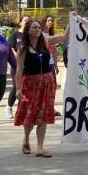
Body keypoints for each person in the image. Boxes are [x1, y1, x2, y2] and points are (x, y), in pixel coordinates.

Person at [13, 18, 67, 157]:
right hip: (30, 83)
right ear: (28, 31)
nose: (37, 30)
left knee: (43, 116)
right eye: (34, 28)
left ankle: (40, 148)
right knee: (30, 115)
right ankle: (26, 139)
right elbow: (19, 70)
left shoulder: (46, 40)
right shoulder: (23, 47)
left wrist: (72, 21)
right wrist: (18, 89)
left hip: (47, 82)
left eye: (38, 27)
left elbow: (64, 37)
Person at [6, 16, 30, 118]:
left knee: (27, 88)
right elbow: (11, 49)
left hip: (28, 65)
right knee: (17, 87)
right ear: (20, 23)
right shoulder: (15, 34)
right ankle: (9, 107)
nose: (27, 22)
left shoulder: (30, 35)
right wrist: (19, 58)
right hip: (17, 66)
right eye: (25, 21)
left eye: (28, 21)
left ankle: (23, 110)